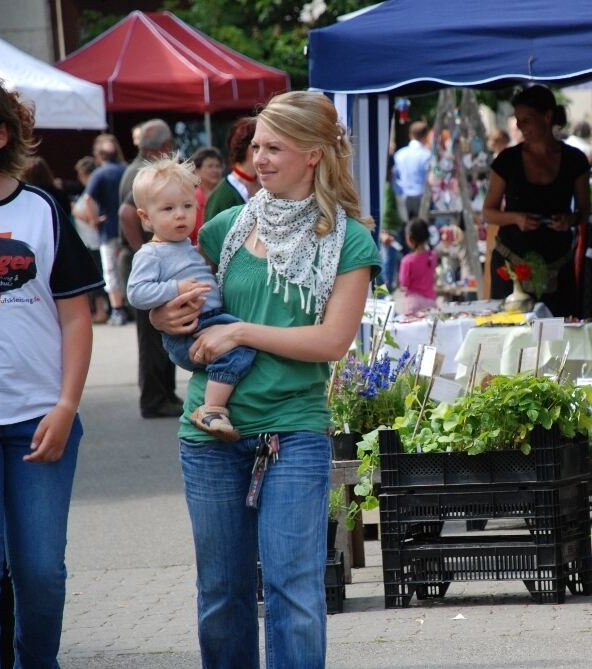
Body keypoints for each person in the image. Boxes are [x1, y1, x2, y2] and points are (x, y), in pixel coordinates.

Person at [149, 90, 380, 667]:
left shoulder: (349, 239)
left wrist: (243, 332)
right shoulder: (223, 227)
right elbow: (177, 304)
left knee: (294, 591)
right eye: (257, 145)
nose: (261, 157)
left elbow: (331, 342)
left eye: (276, 147)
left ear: (315, 155)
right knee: (222, 594)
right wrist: (160, 315)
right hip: (208, 434)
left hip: (294, 431)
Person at [0, 70, 102, 666]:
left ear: (2, 134)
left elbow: (76, 317)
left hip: (41, 417)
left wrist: (65, 407)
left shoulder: (41, 209)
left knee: (40, 573)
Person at [127, 158, 256, 442]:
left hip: (207, 319)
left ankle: (216, 405)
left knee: (242, 341)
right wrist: (176, 288)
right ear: (146, 217)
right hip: (192, 328)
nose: (180, 215)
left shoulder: (184, 245)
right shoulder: (151, 253)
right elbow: (136, 293)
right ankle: (212, 409)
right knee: (239, 348)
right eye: (168, 209)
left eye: (188, 206)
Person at [483, 85, 590, 317]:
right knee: (511, 333)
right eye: (518, 120)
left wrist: (569, 219)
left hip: (557, 265)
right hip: (512, 265)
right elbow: (488, 212)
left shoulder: (575, 160)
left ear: (548, 116)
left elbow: (585, 212)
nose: (521, 126)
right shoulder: (507, 160)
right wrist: (516, 218)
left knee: (559, 335)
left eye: (527, 119)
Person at [118, 118, 185, 419]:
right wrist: (142, 251)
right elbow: (126, 213)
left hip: (145, 260)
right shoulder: (145, 173)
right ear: (165, 146)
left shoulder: (137, 169)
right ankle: (155, 398)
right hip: (145, 262)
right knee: (153, 336)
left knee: (159, 333)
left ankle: (164, 394)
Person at [77, 133, 128, 325]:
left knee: (111, 270)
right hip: (128, 229)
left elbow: (88, 199)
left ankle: (117, 309)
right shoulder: (127, 170)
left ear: (99, 154)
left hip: (108, 230)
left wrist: (93, 220)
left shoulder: (99, 174)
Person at [203, 117, 259, 222]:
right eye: (258, 145)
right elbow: (210, 235)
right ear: (249, 147)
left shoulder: (267, 184)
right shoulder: (222, 195)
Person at [393, 120, 432, 219]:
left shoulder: (399, 154)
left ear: (410, 135)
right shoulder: (427, 155)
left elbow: (394, 176)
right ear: (425, 136)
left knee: (406, 227)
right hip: (421, 196)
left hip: (403, 196)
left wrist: (398, 192)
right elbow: (431, 178)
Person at [398, 218, 437, 315]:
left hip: (413, 303)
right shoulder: (432, 256)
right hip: (430, 303)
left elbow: (404, 283)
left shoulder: (407, 261)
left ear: (410, 239)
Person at [190, 146, 224, 244]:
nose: (215, 170)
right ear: (197, 171)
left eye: (218, 166)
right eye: (210, 166)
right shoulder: (190, 199)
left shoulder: (227, 195)